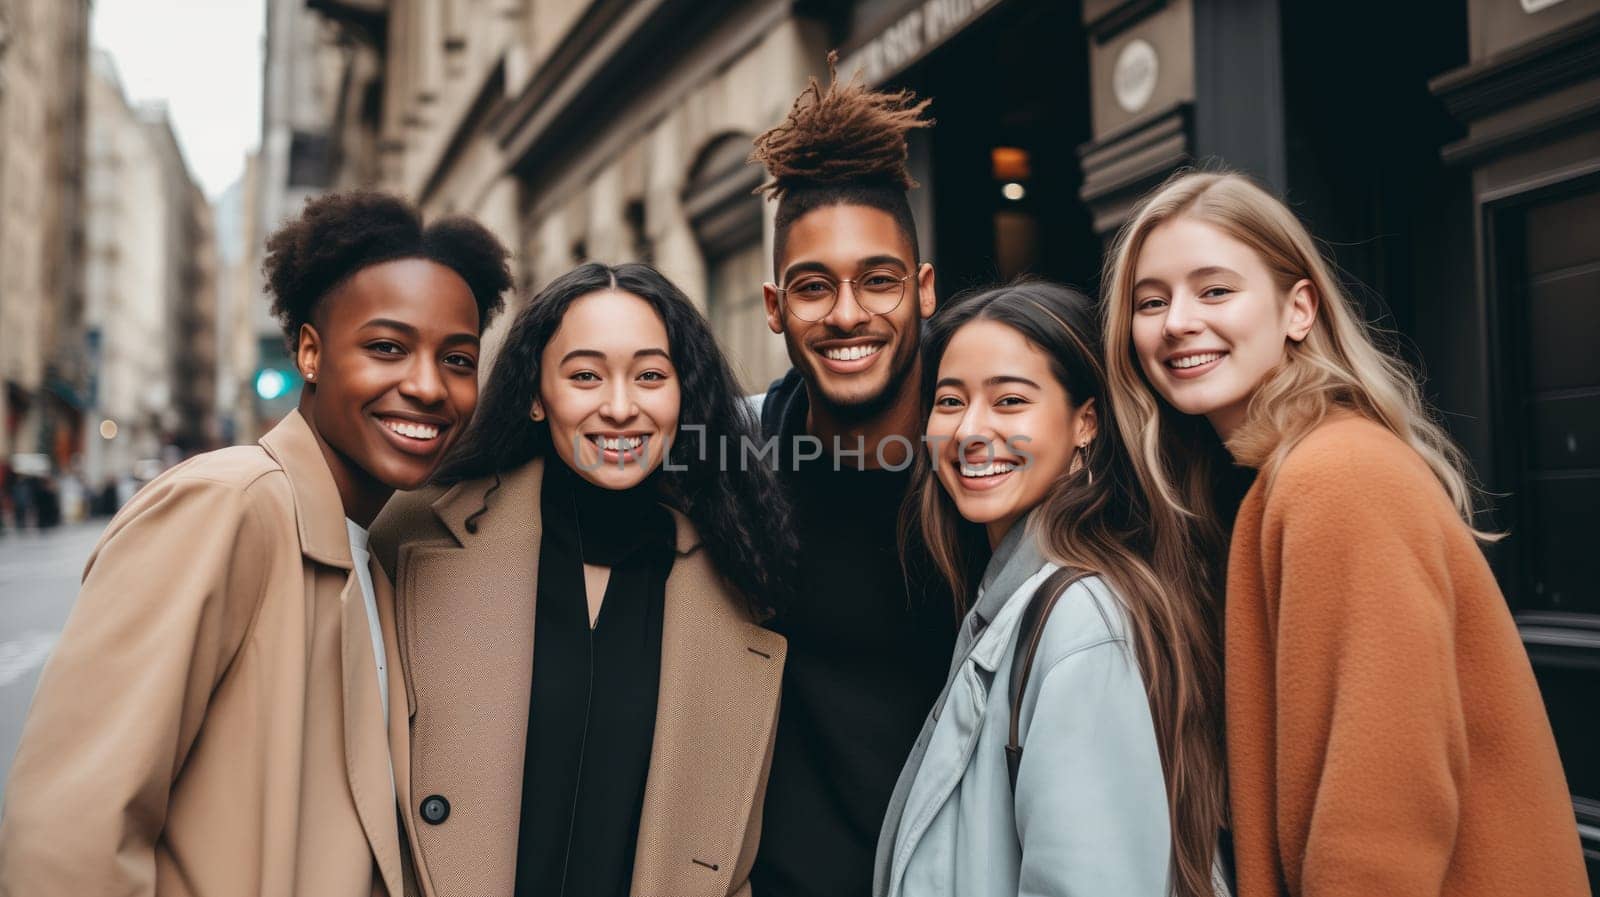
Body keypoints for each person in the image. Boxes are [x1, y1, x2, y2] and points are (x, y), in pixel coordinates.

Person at [0, 190, 511, 897]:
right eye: (387, 347)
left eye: (457, 359)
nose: (428, 386)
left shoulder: (374, 551)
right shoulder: (228, 505)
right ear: (309, 350)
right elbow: (68, 835)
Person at [1103, 169, 1590, 896]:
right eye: (1151, 300)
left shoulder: (1337, 473)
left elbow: (1383, 802)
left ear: (1298, 308)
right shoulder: (1272, 476)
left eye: (1214, 290)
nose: (1177, 321)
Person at [369, 262, 796, 897]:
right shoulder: (413, 536)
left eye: (650, 376)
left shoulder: (740, 578)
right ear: (537, 395)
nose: (620, 408)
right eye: (585, 376)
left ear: (685, 394)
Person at [875, 282, 1225, 897]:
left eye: (1010, 401)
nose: (970, 431)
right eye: (950, 401)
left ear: (1084, 423)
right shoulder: (1016, 597)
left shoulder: (1079, 622)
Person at [745, 55, 960, 897]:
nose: (846, 314)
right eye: (812, 287)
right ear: (774, 308)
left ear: (925, 290)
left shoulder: (995, 473)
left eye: (879, 280)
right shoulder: (736, 469)